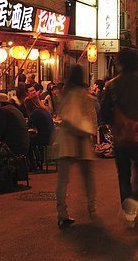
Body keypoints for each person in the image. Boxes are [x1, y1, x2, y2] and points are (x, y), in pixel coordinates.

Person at [101, 49, 138, 227]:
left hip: (120, 138)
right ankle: (134, 200)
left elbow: (103, 113)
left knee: (123, 175)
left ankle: (129, 213)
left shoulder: (111, 85)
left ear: (120, 63)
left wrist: (116, 124)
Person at [55, 65, 97, 229]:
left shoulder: (64, 94)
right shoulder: (84, 96)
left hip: (66, 139)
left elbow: (63, 116)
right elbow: (91, 121)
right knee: (88, 177)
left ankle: (62, 213)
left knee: (63, 179)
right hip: (82, 139)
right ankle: (91, 207)